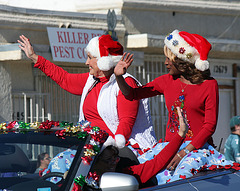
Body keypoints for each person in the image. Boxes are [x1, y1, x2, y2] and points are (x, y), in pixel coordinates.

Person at [114, 29, 233, 184]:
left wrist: (184, 152)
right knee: (134, 171)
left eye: (169, 59)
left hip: (196, 149)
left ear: (182, 60)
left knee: (178, 179)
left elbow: (209, 126)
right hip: (169, 146)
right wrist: (119, 76)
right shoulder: (166, 81)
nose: (165, 63)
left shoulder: (209, 85)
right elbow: (132, 94)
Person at [18, 34, 157, 153]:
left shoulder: (126, 83)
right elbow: (64, 79)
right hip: (92, 147)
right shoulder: (91, 80)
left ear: (103, 60)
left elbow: (126, 123)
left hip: (118, 149)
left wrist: (112, 146)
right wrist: (35, 57)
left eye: (90, 57)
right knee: (57, 167)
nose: (86, 62)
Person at [89, 107, 188, 189]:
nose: (113, 163)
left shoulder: (128, 175)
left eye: (115, 158)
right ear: (94, 162)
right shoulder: (80, 176)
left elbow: (158, 162)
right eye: (108, 160)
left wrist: (180, 135)